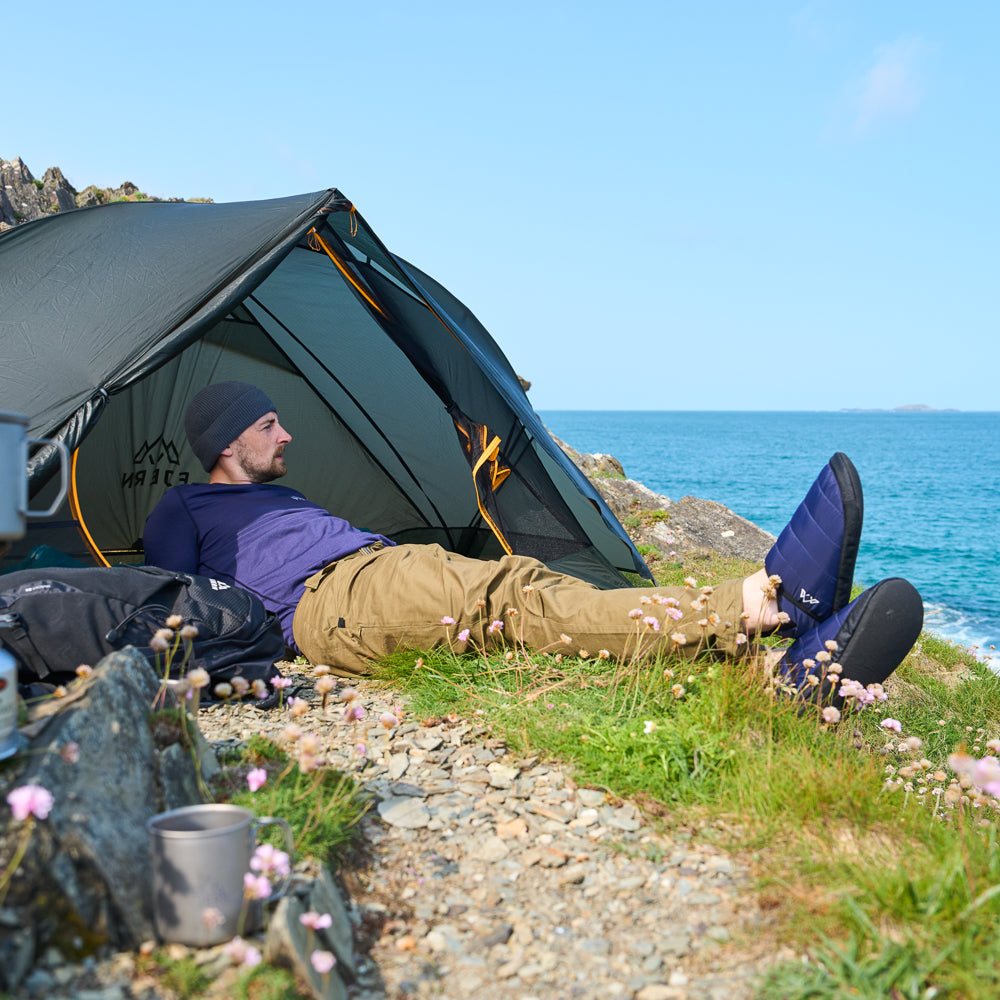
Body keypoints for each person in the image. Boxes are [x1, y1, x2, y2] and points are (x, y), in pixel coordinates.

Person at [144, 382, 924, 694]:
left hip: (375, 572)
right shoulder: (182, 510)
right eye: (267, 424)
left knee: (525, 597)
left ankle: (770, 674)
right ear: (224, 443)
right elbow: (174, 611)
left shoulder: (282, 494)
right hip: (329, 602)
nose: (286, 434)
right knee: (511, 596)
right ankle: (758, 601)